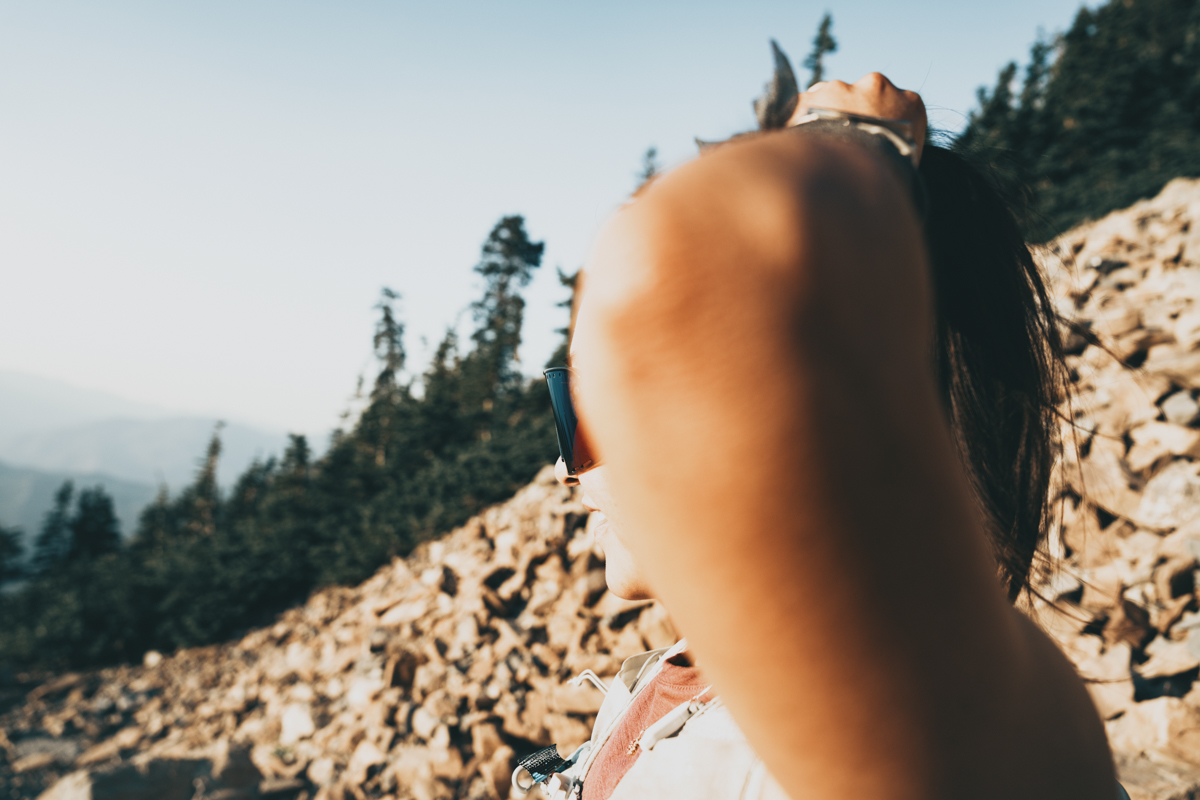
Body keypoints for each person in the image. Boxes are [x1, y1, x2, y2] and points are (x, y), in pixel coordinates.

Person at [528, 45, 1124, 800]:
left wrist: (851, 153)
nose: (567, 465)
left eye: (593, 405)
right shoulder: (703, 673)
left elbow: (654, 270)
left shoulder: (927, 713)